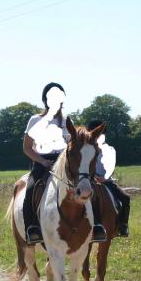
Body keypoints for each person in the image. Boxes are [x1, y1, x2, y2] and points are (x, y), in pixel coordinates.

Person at [21, 82, 107, 245]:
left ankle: (96, 225)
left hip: (65, 161)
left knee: (91, 186)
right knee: (31, 188)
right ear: (45, 100)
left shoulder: (67, 121)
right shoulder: (35, 120)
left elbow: (74, 144)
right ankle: (32, 227)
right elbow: (26, 148)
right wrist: (42, 161)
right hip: (42, 162)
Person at [85, 118, 130, 237]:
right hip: (90, 180)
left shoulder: (109, 149)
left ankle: (123, 225)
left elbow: (111, 166)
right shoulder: (85, 148)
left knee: (125, 198)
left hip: (106, 180)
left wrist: (105, 178)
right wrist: (93, 177)